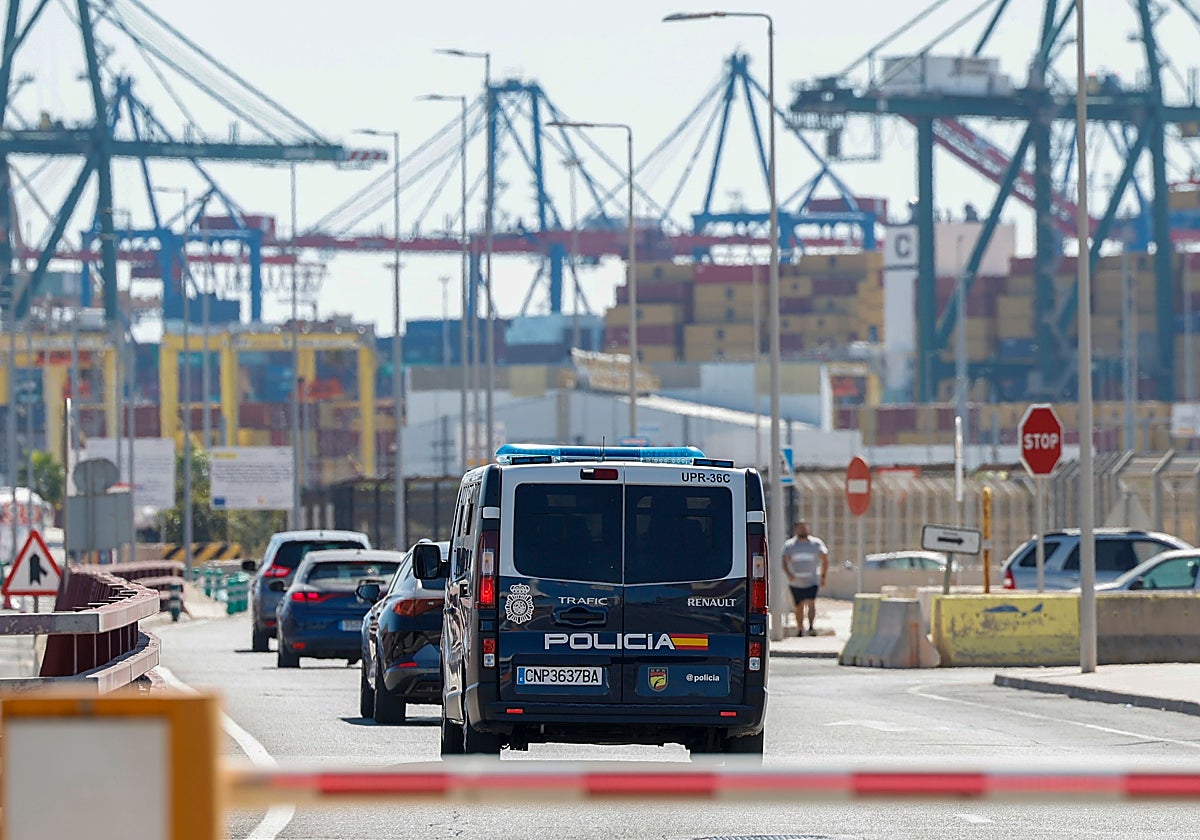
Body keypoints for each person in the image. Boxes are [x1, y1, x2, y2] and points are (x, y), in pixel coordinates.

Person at [782, 520, 829, 636]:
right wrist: (789, 574)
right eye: (801, 528)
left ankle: (811, 626)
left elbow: (824, 558)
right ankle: (800, 628)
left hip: (811, 580)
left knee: (811, 603)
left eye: (805, 528)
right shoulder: (790, 545)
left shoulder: (816, 544)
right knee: (799, 607)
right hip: (796, 582)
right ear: (796, 529)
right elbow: (784, 560)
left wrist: (823, 576)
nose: (803, 530)